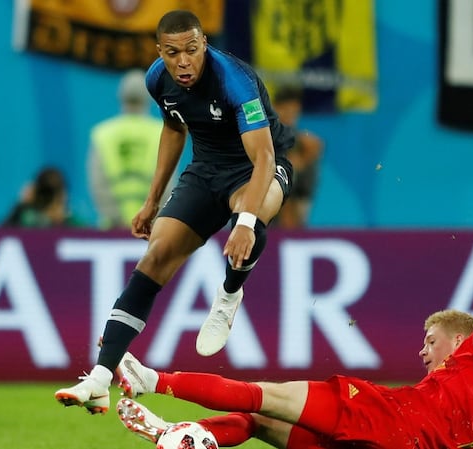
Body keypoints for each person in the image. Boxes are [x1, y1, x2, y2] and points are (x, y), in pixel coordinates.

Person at [114, 192, 473, 449]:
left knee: (259, 396)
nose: (422, 350)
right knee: (260, 423)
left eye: (431, 341)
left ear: (463, 341)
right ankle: (180, 434)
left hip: (373, 415)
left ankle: (153, 381)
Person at [54, 9, 295, 414]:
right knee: (157, 255)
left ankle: (228, 295)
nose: (183, 61)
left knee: (248, 222)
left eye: (191, 50)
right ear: (159, 52)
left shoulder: (235, 80)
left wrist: (248, 222)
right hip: (205, 171)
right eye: (172, 52)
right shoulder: (156, 79)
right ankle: (99, 378)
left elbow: (264, 158)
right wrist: (152, 201)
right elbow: (173, 128)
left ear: (204, 44)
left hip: (260, 167)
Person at [88, 69, 165, 230]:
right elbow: (168, 182)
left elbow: (98, 183)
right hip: (151, 226)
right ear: (148, 97)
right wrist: (152, 217)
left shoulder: (103, 133)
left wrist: (117, 218)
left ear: (121, 97)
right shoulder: (161, 132)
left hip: (112, 227)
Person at [270, 86, 324, 229]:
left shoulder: (300, 140)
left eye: (294, 113)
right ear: (274, 108)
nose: (290, 117)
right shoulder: (261, 134)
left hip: (294, 196)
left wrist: (305, 158)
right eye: (286, 111)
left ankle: (293, 230)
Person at [3, 166, 84, 228]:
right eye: (48, 195)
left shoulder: (74, 223)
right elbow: (2, 234)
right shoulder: (27, 220)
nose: (53, 203)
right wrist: (21, 205)